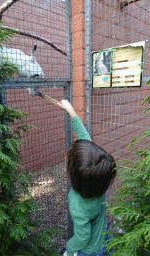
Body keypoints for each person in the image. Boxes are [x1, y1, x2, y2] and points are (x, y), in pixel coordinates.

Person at [57, 100, 117, 256]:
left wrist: (70, 249)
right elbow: (85, 138)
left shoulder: (77, 203)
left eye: (68, 158)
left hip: (90, 251)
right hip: (104, 237)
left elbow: (83, 237)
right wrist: (71, 111)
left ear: (74, 175)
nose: (66, 157)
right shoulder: (98, 178)